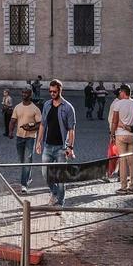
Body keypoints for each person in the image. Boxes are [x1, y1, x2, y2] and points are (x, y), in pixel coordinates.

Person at [35, 79, 77, 208]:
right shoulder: (47, 105)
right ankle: (54, 193)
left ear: (60, 90)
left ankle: (60, 203)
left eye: (54, 91)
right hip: (48, 145)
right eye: (50, 91)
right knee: (45, 173)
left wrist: (70, 147)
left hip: (61, 148)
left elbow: (71, 129)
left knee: (60, 178)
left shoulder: (68, 107)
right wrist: (38, 142)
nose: (52, 93)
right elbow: (43, 125)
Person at [108, 83, 133, 194]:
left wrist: (112, 135)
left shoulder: (118, 104)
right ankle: (132, 186)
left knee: (123, 161)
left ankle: (123, 187)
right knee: (132, 161)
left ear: (123, 92)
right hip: (132, 136)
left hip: (120, 135)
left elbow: (114, 121)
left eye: (120, 92)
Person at [9, 88, 42, 193]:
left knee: (27, 160)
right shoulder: (17, 107)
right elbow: (13, 120)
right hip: (19, 137)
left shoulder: (35, 109)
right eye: (23, 92)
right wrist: (10, 132)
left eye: (26, 93)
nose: (24, 94)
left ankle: (24, 185)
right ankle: (28, 177)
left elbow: (40, 124)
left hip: (30, 138)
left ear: (30, 95)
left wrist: (30, 128)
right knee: (21, 160)